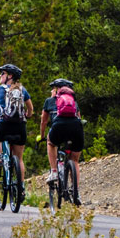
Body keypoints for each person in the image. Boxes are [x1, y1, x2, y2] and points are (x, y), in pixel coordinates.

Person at [0, 63, 33, 191]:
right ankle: (21, 188)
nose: (0, 75)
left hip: (5, 124)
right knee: (19, 159)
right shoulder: (22, 90)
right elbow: (30, 108)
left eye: (2, 73)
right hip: (20, 126)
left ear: (10, 76)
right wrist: (27, 115)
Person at [41, 77, 84, 206]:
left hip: (59, 127)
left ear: (56, 89)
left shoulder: (49, 101)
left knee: (50, 142)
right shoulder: (74, 102)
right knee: (74, 160)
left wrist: (42, 135)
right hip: (76, 128)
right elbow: (79, 118)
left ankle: (54, 172)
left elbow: (43, 121)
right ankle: (76, 191)